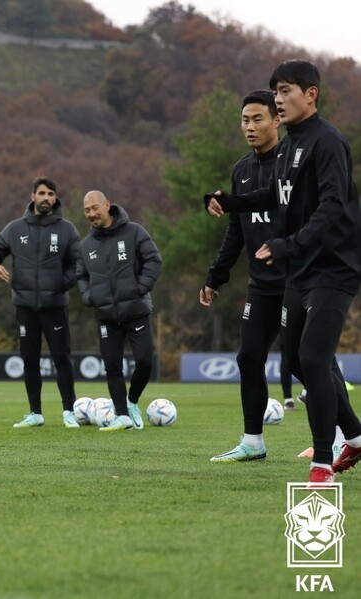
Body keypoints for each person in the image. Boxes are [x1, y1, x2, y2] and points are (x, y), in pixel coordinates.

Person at [205, 59, 361, 483]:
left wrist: (287, 244)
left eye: (286, 90)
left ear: (310, 94)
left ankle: (322, 462)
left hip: (333, 269)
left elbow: (332, 205)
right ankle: (357, 438)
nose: (279, 98)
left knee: (312, 357)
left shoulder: (328, 142)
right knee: (295, 361)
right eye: (276, 91)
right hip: (300, 272)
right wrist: (229, 200)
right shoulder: (290, 145)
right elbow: (275, 194)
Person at [201, 90, 289, 462]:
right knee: (248, 357)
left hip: (298, 279)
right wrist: (215, 277)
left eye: (257, 119)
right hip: (262, 284)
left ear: (277, 120)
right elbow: (236, 232)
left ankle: (340, 436)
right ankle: (253, 441)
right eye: (244, 120)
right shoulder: (241, 170)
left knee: (307, 359)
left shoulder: (293, 163)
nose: (250, 127)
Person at [0, 177, 81, 429]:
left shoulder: (67, 230)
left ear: (55, 199)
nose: (46, 197)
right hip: (25, 307)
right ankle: (35, 413)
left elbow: (80, 264)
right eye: (41, 193)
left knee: (62, 359)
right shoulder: (15, 229)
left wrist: (61, 283)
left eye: (50, 193)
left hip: (55, 306)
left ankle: (69, 411)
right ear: (33, 197)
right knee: (29, 359)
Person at [76, 190, 162, 431]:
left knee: (145, 361)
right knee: (112, 366)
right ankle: (122, 415)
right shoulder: (85, 246)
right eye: (86, 210)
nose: (91, 214)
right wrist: (88, 296)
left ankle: (132, 401)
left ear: (107, 205)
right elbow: (80, 274)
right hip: (106, 316)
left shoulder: (135, 232)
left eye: (94, 208)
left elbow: (154, 261)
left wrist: (140, 288)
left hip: (136, 310)